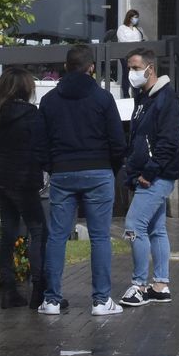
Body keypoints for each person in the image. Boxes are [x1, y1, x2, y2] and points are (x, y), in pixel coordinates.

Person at [37, 44, 125, 317]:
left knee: (57, 238)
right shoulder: (103, 98)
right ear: (92, 68)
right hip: (99, 172)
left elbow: (40, 144)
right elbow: (118, 142)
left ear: (66, 67)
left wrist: (53, 166)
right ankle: (100, 301)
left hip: (62, 173)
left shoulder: (49, 100)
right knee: (100, 238)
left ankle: (50, 300)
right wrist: (109, 167)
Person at [118, 47, 179, 307]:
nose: (131, 73)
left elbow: (169, 141)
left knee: (133, 226)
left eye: (135, 68)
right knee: (156, 230)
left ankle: (139, 285)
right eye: (130, 68)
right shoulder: (143, 98)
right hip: (147, 175)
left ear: (150, 68)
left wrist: (149, 171)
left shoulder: (166, 100)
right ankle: (161, 285)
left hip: (155, 176)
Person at [0, 66, 49, 310]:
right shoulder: (31, 114)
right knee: (38, 231)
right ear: (25, 88)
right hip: (23, 179)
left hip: (0, 176)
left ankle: (9, 291)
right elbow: (39, 146)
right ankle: (38, 290)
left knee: (8, 233)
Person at [115, 9, 144, 97]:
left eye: (137, 18)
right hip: (125, 55)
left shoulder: (137, 29)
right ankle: (125, 94)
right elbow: (123, 40)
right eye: (135, 17)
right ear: (129, 17)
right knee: (126, 73)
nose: (136, 19)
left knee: (136, 73)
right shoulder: (122, 28)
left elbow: (139, 41)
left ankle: (136, 93)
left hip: (136, 55)